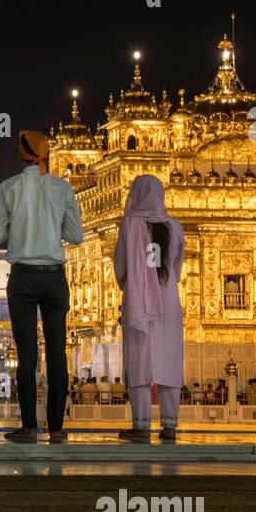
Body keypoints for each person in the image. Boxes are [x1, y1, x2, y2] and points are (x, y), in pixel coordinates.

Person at [0, 129, 82, 442]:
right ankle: (56, 428)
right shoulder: (62, 188)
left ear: (22, 153)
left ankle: (29, 427)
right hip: (54, 277)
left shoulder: (8, 188)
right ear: (45, 154)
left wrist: (22, 226)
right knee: (57, 353)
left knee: (26, 354)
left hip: (23, 278)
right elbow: (76, 236)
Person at [113, 174, 185, 442]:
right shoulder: (176, 227)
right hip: (168, 301)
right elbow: (176, 269)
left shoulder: (130, 224)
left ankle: (141, 426)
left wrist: (128, 282)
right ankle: (170, 426)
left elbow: (121, 264)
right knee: (168, 361)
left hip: (139, 298)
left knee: (140, 362)